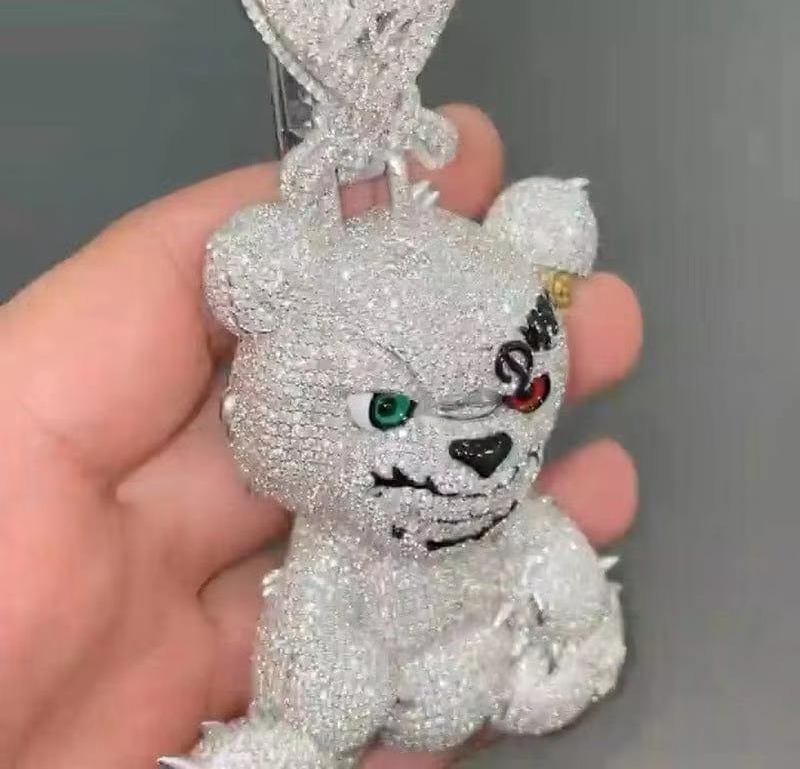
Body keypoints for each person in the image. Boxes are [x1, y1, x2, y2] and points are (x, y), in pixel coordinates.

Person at [0, 104, 642, 769]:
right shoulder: (334, 551)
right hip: (392, 675)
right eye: (389, 410)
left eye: (520, 395)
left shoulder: (509, 518)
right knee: (335, 701)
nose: (483, 448)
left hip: (498, 658)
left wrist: (580, 631)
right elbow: (318, 638)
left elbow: (552, 564)